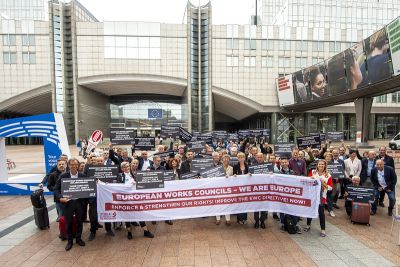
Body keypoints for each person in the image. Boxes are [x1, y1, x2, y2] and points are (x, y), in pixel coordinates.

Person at [54, 158, 86, 251]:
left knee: (80, 221)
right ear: (68, 165)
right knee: (69, 222)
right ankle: (70, 241)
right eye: (72, 164)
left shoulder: (82, 176)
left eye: (76, 164)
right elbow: (56, 189)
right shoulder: (63, 176)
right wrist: (60, 198)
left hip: (79, 202)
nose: (74, 166)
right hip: (68, 202)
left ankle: (79, 238)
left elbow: (87, 188)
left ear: (78, 165)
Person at [119, 161, 154, 239]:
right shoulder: (120, 176)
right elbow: (116, 186)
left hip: (135, 198)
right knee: (127, 216)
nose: (127, 168)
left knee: (139, 214)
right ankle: (129, 233)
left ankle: (146, 231)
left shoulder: (133, 174)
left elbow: (141, 180)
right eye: (124, 167)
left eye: (128, 166)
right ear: (122, 169)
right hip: (126, 199)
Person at [304, 160, 332, 237]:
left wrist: (324, 183)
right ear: (317, 165)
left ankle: (323, 230)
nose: (321, 165)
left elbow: (330, 188)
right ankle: (308, 225)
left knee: (321, 213)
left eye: (322, 164)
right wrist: (311, 178)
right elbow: (307, 182)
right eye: (319, 164)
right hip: (312, 195)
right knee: (310, 211)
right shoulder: (313, 172)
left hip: (321, 197)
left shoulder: (328, 175)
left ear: (325, 166)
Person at [216, 154, 233, 226]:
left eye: (227, 159)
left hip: (227, 189)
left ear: (229, 160)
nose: (226, 160)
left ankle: (228, 219)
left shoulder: (231, 168)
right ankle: (218, 219)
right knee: (218, 204)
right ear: (222, 160)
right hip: (218, 188)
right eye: (224, 158)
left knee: (227, 204)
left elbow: (233, 177)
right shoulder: (218, 168)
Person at [252, 153, 268, 229]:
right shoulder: (252, 166)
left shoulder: (268, 166)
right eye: (258, 157)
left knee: (263, 207)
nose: (259, 158)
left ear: (263, 157)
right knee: (256, 206)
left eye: (261, 157)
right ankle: (256, 221)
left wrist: (271, 174)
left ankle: (262, 221)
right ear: (256, 157)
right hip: (256, 189)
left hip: (264, 189)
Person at [233, 152, 249, 224]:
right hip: (238, 187)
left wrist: (250, 174)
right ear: (237, 158)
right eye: (239, 157)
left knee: (245, 203)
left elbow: (251, 174)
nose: (241, 158)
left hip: (246, 188)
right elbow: (233, 176)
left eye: (242, 157)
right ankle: (239, 219)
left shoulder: (247, 166)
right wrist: (234, 175)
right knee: (239, 203)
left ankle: (244, 218)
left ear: (244, 158)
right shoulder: (235, 166)